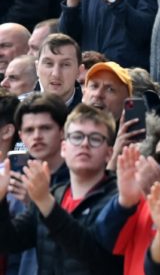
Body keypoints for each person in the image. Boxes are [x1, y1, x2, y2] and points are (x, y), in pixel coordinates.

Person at [0, 104, 122, 273]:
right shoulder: (53, 194)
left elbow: (93, 255)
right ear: (64, 147)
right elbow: (9, 241)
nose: (84, 144)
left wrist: (46, 204)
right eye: (77, 137)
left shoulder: (119, 199)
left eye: (95, 138)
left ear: (109, 153)